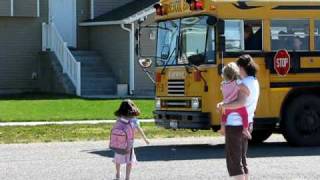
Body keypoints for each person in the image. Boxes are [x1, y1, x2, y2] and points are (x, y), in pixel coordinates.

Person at [217, 55, 260, 180]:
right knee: (242, 160)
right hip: (246, 123)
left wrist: (223, 105)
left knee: (234, 163)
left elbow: (240, 103)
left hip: (235, 125)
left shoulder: (243, 83)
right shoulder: (254, 81)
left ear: (241, 67)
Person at [112, 99, 150, 180]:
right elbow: (139, 129)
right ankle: (127, 177)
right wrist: (145, 139)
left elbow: (115, 127)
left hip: (119, 142)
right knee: (129, 161)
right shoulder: (133, 119)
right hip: (129, 143)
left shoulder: (119, 117)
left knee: (118, 159)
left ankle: (118, 174)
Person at [218, 62, 252, 140]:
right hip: (236, 106)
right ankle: (245, 129)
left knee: (223, 117)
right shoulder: (237, 83)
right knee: (245, 115)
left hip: (227, 106)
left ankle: (223, 128)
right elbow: (247, 91)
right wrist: (247, 93)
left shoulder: (222, 85)